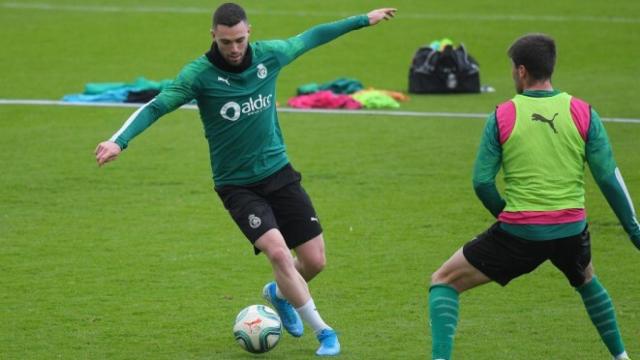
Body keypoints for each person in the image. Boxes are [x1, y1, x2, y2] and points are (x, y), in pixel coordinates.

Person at [95, 3, 396, 356]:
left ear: (249, 31)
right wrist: (119, 140)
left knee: (314, 261)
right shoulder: (198, 75)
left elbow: (313, 37)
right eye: (226, 42)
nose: (234, 49)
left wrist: (364, 19)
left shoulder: (271, 56)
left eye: (239, 40)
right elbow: (157, 105)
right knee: (279, 254)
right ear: (213, 37)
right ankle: (325, 333)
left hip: (279, 173)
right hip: (237, 186)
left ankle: (279, 295)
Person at [428, 33, 640, 360]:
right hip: (571, 229)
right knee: (586, 280)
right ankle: (622, 357)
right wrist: (633, 229)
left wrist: (505, 213)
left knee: (443, 281)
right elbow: (609, 178)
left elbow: (482, 182)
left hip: (520, 232)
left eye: (513, 68)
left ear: (522, 71)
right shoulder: (583, 112)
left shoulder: (503, 114)